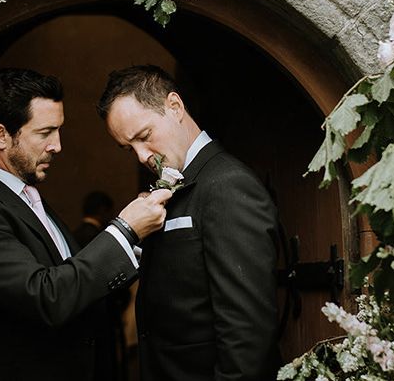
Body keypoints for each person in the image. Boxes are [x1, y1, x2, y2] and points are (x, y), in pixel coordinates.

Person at [0, 68, 171, 381]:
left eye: (58, 131)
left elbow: (78, 288)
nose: (57, 146)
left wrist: (139, 240)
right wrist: (124, 229)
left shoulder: (29, 198)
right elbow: (46, 297)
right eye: (45, 133)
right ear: (1, 136)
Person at [97, 65, 280, 381]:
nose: (141, 156)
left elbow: (246, 332)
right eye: (129, 148)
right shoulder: (181, 184)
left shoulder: (228, 185)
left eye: (144, 136)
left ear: (175, 107)